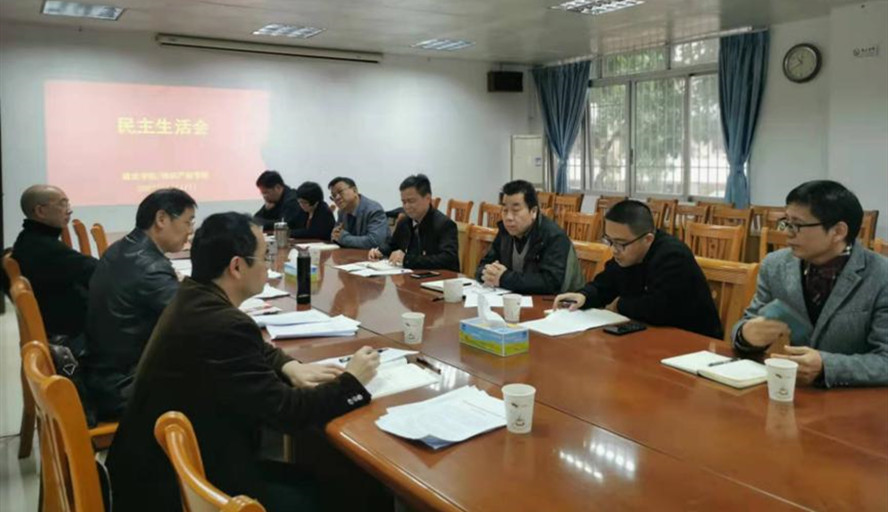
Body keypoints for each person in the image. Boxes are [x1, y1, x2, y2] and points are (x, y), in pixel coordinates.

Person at [105, 212, 382, 511]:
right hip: (174, 491)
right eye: (264, 257)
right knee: (346, 494)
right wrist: (352, 380)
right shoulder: (224, 325)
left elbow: (253, 346)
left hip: (162, 466)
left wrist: (290, 366)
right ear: (237, 266)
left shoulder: (195, 297)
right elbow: (289, 413)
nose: (268, 265)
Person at [732, 180, 887, 387]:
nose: (788, 232)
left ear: (838, 231)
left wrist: (827, 366)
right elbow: (747, 322)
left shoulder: (880, 275)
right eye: (787, 222)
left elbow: (885, 360)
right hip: (792, 390)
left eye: (798, 225)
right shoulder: (775, 265)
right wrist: (746, 335)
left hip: (858, 398)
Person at [83, 188, 197, 421]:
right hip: (126, 385)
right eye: (188, 222)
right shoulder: (149, 267)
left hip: (102, 372)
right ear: (161, 219)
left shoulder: (122, 248)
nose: (190, 230)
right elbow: (194, 322)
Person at [554, 200, 723, 339]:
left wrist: (619, 305)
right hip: (650, 336)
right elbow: (605, 283)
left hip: (692, 342)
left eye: (620, 243)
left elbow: (658, 309)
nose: (614, 250)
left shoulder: (673, 256)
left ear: (648, 239)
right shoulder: (628, 254)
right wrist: (584, 296)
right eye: (609, 241)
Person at [10, 185, 97, 338]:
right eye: (62, 204)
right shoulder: (43, 248)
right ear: (40, 211)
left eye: (68, 204)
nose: (69, 210)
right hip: (73, 335)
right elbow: (96, 270)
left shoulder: (31, 238)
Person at [476, 180, 584, 294]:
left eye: (515, 210)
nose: (508, 217)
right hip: (517, 297)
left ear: (533, 211)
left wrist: (504, 278)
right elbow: (483, 265)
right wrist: (487, 273)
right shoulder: (506, 231)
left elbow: (550, 282)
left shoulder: (554, 236)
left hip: (558, 301)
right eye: (505, 210)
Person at [368, 174, 459, 271]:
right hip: (409, 275)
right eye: (403, 202)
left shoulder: (445, 224)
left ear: (427, 199)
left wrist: (407, 259)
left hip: (438, 277)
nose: (406, 206)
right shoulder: (404, 221)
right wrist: (380, 251)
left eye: (411, 201)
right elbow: (392, 244)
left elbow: (448, 259)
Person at [328, 177, 388, 249]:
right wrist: (335, 235)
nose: (337, 198)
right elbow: (337, 235)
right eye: (334, 195)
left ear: (354, 190)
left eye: (340, 192)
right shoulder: (341, 212)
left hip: (373, 255)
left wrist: (343, 238)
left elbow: (375, 241)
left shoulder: (374, 210)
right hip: (350, 254)